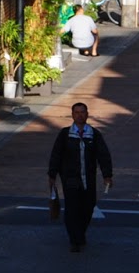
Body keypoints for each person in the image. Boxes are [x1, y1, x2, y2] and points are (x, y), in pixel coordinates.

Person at [47, 102, 113, 252]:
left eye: (82, 112)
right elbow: (56, 155)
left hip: (88, 180)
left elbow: (103, 155)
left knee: (88, 208)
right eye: (76, 112)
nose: (79, 115)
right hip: (70, 180)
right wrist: (52, 174)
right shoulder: (65, 134)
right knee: (72, 210)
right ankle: (75, 241)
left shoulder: (94, 134)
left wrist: (107, 175)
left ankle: (80, 234)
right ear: (72, 115)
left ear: (87, 114)